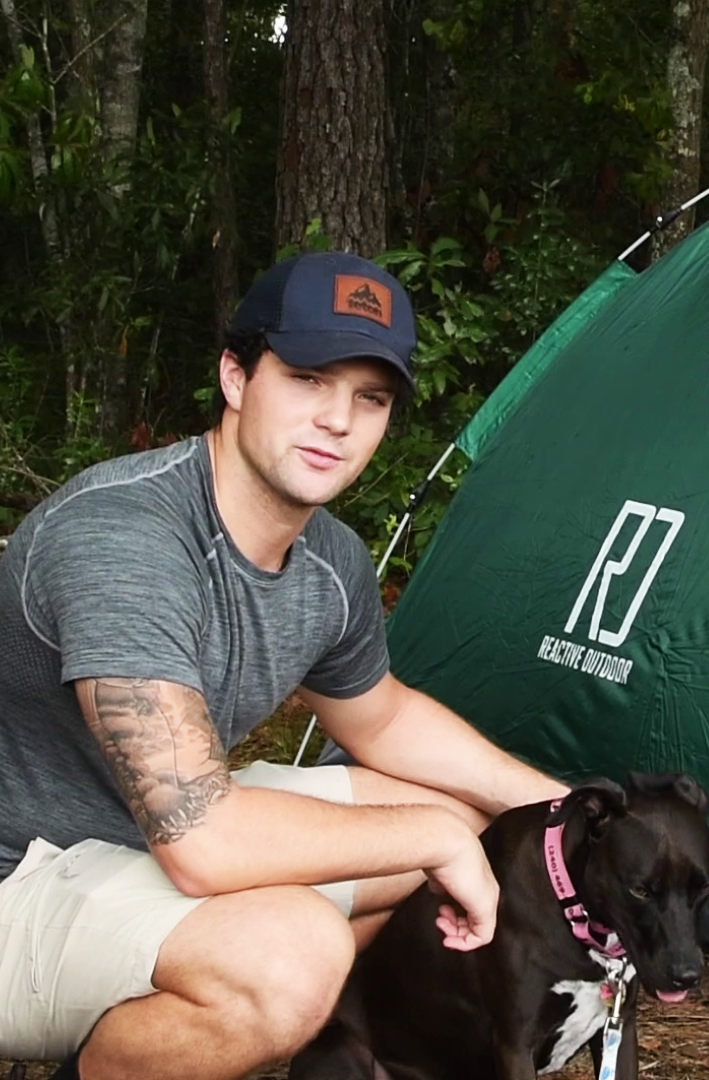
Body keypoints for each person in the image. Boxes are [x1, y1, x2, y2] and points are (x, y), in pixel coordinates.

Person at [0, 251, 569, 1080]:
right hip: (22, 872)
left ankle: (289, 1046)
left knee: (458, 813)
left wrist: (563, 807)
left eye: (369, 398)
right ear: (236, 376)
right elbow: (202, 839)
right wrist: (438, 836)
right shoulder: (123, 538)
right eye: (308, 379)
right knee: (290, 955)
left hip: (137, 841)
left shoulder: (329, 557)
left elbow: (382, 717)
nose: (338, 420)